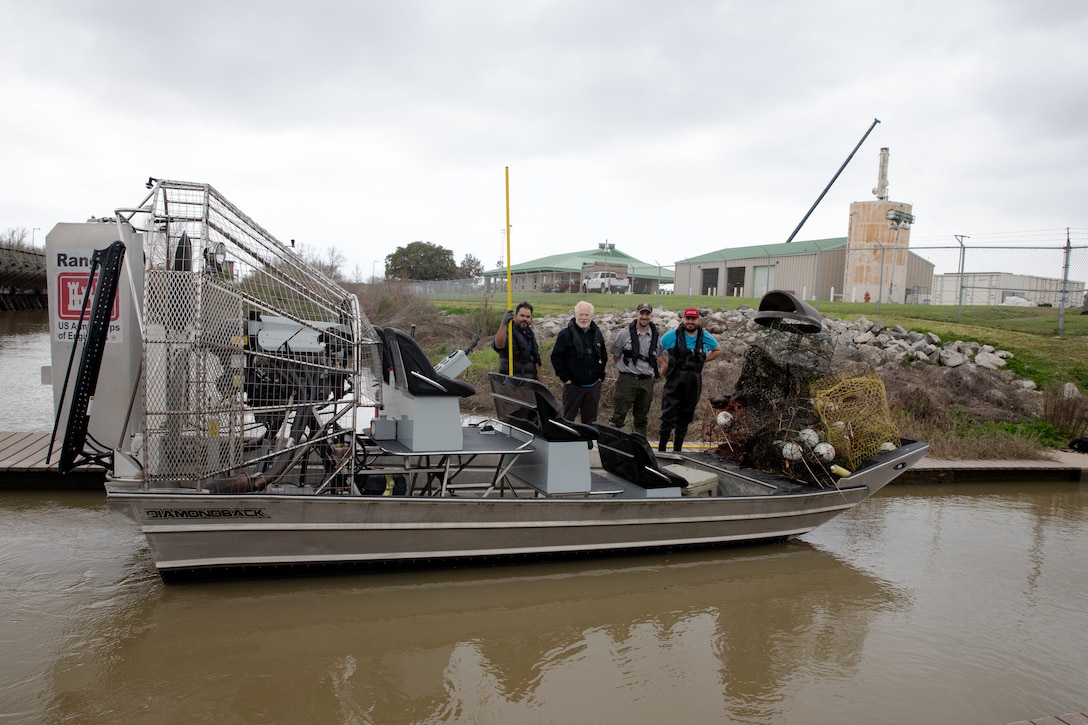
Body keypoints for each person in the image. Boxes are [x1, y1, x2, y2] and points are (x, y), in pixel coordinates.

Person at [657, 307, 721, 452]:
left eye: (693, 319)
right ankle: (661, 449)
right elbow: (656, 350)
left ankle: (677, 449)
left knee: (685, 415)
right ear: (683, 319)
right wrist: (664, 364)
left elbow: (718, 350)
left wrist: (703, 360)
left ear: (698, 320)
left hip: (693, 380)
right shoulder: (672, 335)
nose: (690, 322)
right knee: (668, 414)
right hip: (674, 378)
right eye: (688, 319)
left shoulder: (704, 336)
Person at [609, 302, 663, 437]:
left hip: (646, 381)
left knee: (642, 418)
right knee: (618, 415)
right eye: (642, 313)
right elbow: (615, 356)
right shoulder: (624, 334)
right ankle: (614, 445)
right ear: (637, 314)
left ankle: (640, 446)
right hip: (627, 379)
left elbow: (659, 356)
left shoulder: (656, 335)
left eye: (647, 314)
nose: (644, 317)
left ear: (651, 316)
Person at [550, 300, 608, 423]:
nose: (583, 318)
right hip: (573, 387)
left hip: (593, 386)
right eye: (581, 314)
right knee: (568, 421)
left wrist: (600, 377)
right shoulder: (565, 335)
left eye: (586, 315)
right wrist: (565, 378)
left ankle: (588, 442)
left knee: (590, 422)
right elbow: (556, 357)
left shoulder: (597, 334)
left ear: (591, 316)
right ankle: (567, 442)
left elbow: (603, 355)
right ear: (576, 315)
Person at [492, 301, 542, 380]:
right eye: (522, 315)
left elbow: (535, 358)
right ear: (515, 316)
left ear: (531, 319)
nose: (525, 319)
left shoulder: (530, 335)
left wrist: (540, 381)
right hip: (512, 381)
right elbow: (498, 345)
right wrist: (503, 324)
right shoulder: (508, 332)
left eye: (527, 317)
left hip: (530, 381)